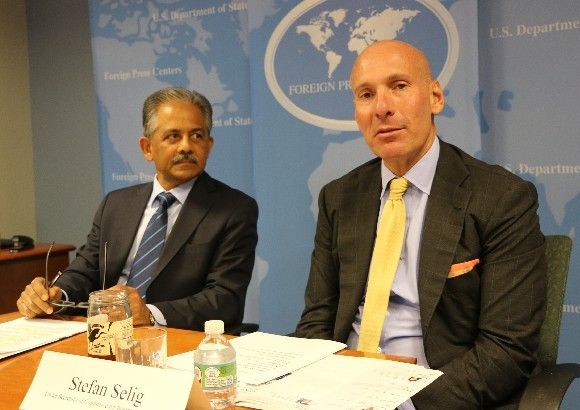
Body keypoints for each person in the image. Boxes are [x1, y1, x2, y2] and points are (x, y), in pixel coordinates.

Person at [295, 40, 547, 408]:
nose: (382, 108)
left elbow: (506, 349)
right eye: (366, 94)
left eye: (399, 87)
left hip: (433, 394)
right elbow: (318, 318)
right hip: (341, 391)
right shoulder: (339, 197)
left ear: (435, 98)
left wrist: (404, 401)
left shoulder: (501, 198)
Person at [17, 87, 258, 333]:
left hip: (176, 339)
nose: (186, 146)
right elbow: (86, 268)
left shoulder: (234, 209)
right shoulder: (116, 204)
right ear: (147, 148)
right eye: (173, 136)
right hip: (105, 335)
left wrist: (148, 313)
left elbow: (225, 299)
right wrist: (55, 293)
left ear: (209, 144)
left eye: (196, 136)